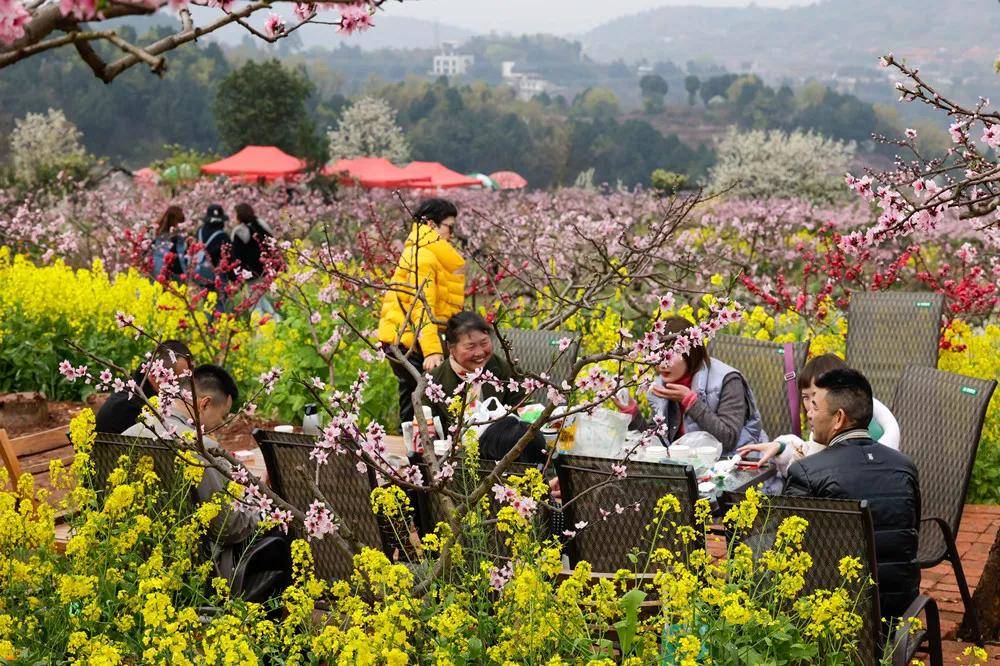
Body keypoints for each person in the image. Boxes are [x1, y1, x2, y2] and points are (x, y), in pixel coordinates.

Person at [123, 364, 291, 600]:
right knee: (281, 533)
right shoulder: (200, 446)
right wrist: (261, 502)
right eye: (221, 416)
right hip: (196, 568)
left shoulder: (130, 434)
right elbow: (228, 527)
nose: (217, 426)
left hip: (134, 558)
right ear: (204, 403)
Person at [783, 368, 920, 622]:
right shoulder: (905, 467)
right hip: (899, 615)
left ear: (839, 418)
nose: (809, 414)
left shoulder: (806, 472)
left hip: (832, 618)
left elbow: (790, 549)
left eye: (815, 406)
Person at [378, 198, 466, 426]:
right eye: (449, 226)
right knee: (430, 399)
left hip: (404, 338)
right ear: (431, 225)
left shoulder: (427, 253)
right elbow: (421, 306)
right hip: (410, 342)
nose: (452, 233)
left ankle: (412, 454)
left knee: (413, 399)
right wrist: (432, 352)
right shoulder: (423, 256)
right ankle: (421, 454)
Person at [737, 353, 901, 476]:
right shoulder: (834, 428)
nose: (809, 406)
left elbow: (816, 473)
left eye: (815, 397)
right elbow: (812, 455)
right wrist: (781, 447)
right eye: (805, 397)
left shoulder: (865, 439)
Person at [648, 316, 767, 453]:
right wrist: (632, 413)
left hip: (735, 464)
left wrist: (691, 402)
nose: (662, 364)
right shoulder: (661, 384)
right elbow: (654, 442)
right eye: (657, 354)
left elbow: (728, 440)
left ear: (690, 352)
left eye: (670, 355)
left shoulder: (728, 380)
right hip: (687, 466)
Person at [424, 312, 524, 433]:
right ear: (451, 347)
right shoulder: (432, 382)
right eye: (470, 347)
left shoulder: (508, 372)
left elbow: (521, 419)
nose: (479, 353)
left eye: (484, 343)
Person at [95, 340, 193, 434]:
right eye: (179, 381)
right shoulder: (131, 406)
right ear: (154, 375)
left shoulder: (139, 387)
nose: (184, 387)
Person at [230, 203, 274, 280]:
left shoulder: (239, 232)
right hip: (272, 267)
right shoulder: (261, 224)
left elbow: (236, 256)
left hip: (254, 274)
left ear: (239, 216)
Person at [194, 204, 230, 287]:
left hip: (200, 272)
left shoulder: (199, 231)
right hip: (217, 276)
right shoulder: (223, 236)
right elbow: (229, 257)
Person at [149, 205, 187, 280]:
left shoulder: (157, 236)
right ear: (173, 220)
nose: (181, 226)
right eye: (180, 222)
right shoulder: (160, 237)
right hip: (171, 277)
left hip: (163, 277)